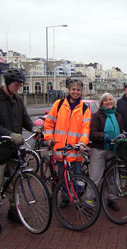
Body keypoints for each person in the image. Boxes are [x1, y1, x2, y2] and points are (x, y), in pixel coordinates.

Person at [0, 68, 41, 232]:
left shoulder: (17, 100)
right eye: (17, 84)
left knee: (14, 182)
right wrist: (10, 134)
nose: (19, 87)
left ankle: (12, 210)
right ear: (8, 83)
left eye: (21, 84)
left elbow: (25, 119)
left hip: (13, 149)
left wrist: (33, 128)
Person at [43, 78, 91, 207]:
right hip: (60, 148)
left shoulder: (84, 108)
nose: (75, 92)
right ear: (69, 90)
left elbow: (85, 129)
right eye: (73, 89)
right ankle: (65, 197)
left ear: (81, 91)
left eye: (78, 90)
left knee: (77, 175)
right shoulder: (58, 104)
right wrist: (49, 138)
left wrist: (82, 143)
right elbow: (49, 123)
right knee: (62, 175)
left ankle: (76, 196)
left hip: (75, 149)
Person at [86, 93, 123, 211]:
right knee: (95, 176)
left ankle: (112, 198)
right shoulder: (97, 116)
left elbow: (121, 130)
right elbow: (92, 132)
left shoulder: (118, 116)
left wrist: (122, 136)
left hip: (113, 149)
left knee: (112, 176)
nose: (109, 102)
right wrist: (103, 136)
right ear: (102, 103)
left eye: (111, 100)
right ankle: (89, 200)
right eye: (106, 100)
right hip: (99, 149)